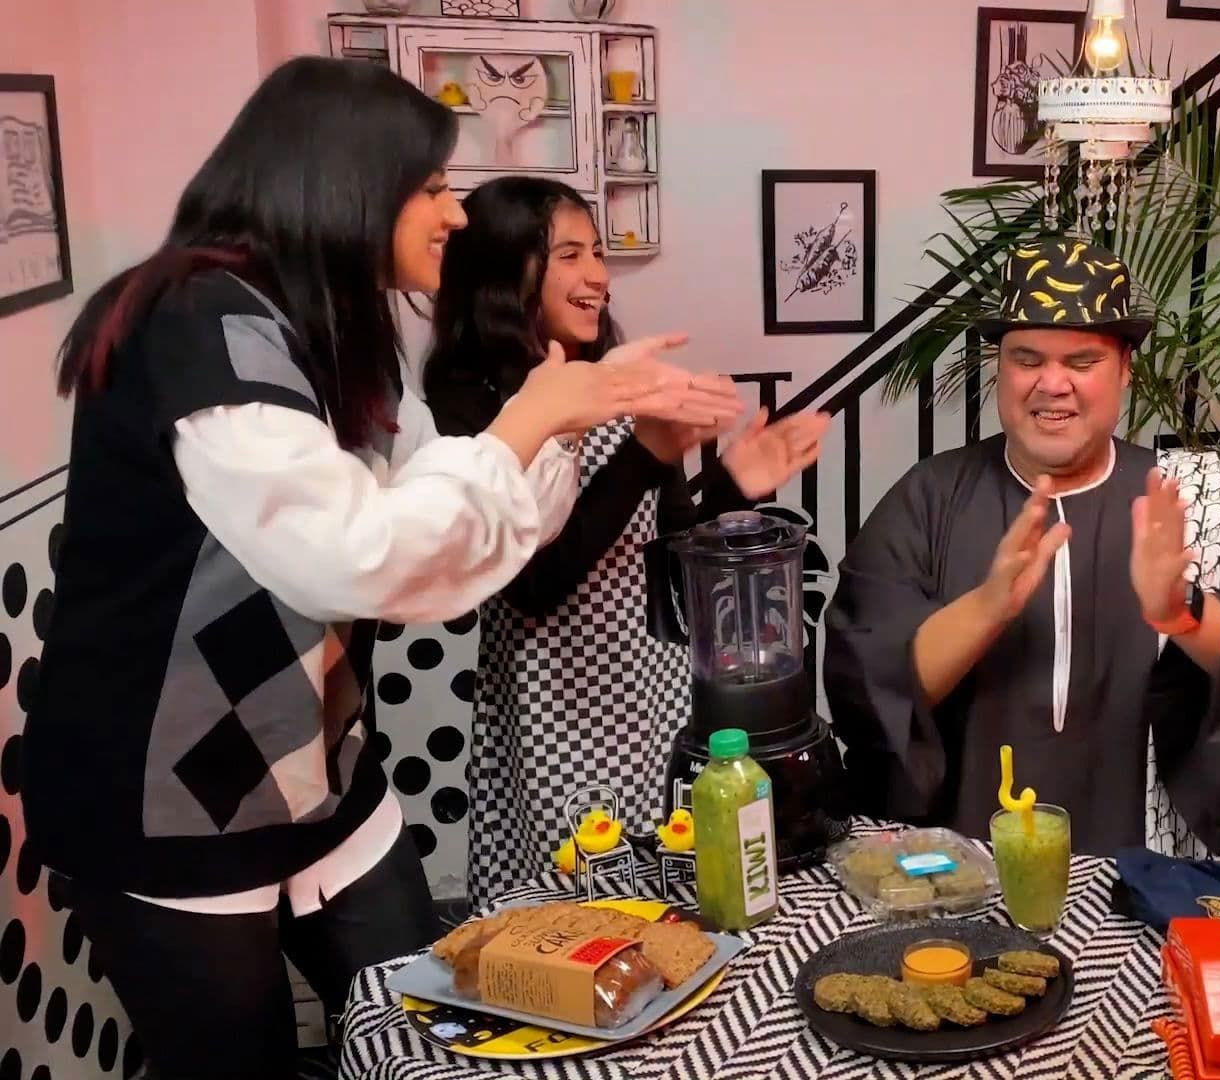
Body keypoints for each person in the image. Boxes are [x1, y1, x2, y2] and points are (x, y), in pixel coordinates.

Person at [20, 58, 734, 1080]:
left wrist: (561, 420)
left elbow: (474, 530)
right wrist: (531, 421)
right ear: (349, 184)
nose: (455, 214)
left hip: (321, 776)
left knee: (428, 1030)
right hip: (170, 802)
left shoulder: (339, 330)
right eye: (432, 186)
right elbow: (358, 559)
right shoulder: (200, 325)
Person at [824, 236, 1220, 858]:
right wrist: (988, 606)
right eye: (1026, 359)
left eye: (1082, 362)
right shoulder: (929, 496)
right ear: (1000, 367)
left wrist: (1180, 611)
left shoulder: (1190, 495)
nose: (1052, 384)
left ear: (1125, 369)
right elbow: (866, 688)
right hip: (961, 863)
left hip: (1143, 862)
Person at [423, 176, 828, 905]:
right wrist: (643, 453)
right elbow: (532, 586)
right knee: (569, 913)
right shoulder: (469, 403)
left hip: (655, 696)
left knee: (671, 900)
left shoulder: (621, 386)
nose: (599, 277)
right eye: (570, 255)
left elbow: (668, 559)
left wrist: (734, 486)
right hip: (553, 708)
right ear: (504, 271)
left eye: (599, 253)